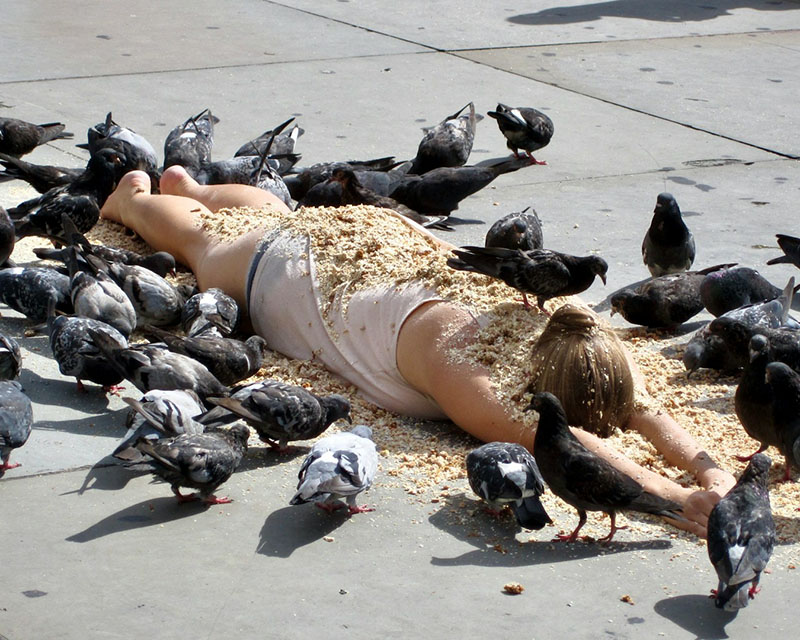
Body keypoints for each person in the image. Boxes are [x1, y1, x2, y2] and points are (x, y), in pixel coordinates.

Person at [100, 166, 735, 538]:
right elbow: (572, 445)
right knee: (204, 241)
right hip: (292, 275)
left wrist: (710, 473)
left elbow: (641, 407)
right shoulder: (466, 368)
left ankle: (190, 182)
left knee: (276, 210)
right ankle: (134, 198)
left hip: (383, 237)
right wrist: (674, 498)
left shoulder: (570, 329)